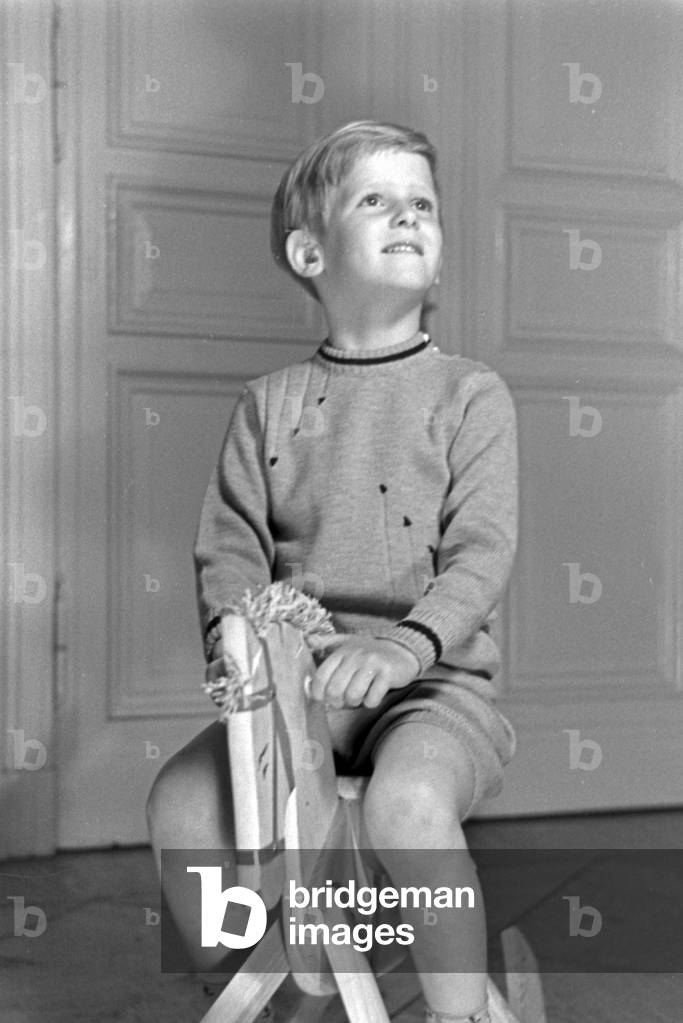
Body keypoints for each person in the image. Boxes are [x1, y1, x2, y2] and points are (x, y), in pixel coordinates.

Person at [147, 120, 519, 1023]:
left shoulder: (468, 395)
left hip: (430, 688)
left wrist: (400, 648)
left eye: (422, 202)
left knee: (407, 803)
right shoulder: (265, 406)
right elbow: (230, 552)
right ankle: (270, 979)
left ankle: (459, 1011)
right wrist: (243, 654)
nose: (408, 215)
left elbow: (480, 555)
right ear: (309, 252)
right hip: (298, 692)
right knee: (182, 803)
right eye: (376, 199)